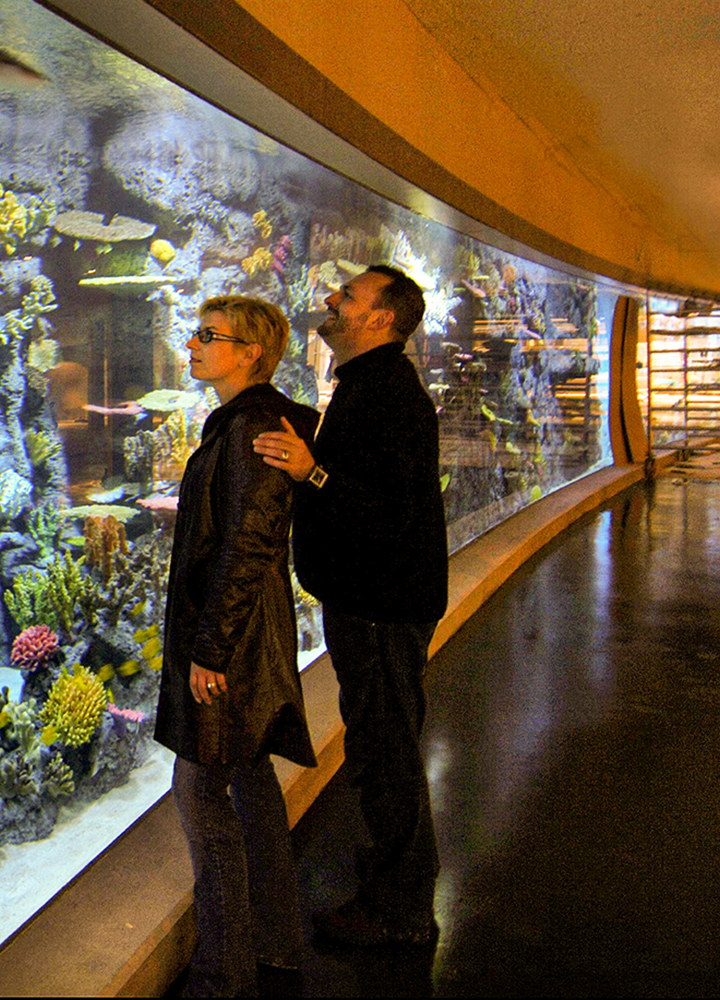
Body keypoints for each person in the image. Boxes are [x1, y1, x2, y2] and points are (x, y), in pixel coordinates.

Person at [252, 264, 448, 947]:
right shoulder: (370, 387)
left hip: (381, 605)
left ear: (380, 320)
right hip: (371, 601)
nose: (333, 300)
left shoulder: (390, 395)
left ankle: (400, 913)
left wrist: (313, 473)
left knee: (388, 753)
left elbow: (389, 512)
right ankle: (392, 887)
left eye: (350, 297)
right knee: (379, 745)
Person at [155, 296, 319, 995]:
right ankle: (277, 945)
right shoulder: (247, 423)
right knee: (250, 785)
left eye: (208, 336)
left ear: (250, 351)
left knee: (199, 791)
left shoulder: (253, 429)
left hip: (236, 643)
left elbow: (248, 547)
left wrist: (210, 650)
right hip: (251, 635)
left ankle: (224, 974)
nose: (192, 345)